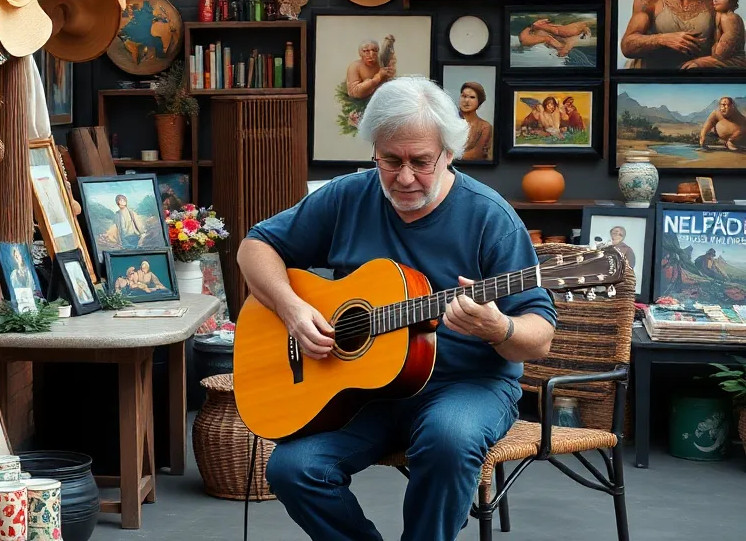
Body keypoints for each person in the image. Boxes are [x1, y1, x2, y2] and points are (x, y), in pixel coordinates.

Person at [238, 76, 557, 541]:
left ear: (448, 153)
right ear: (374, 152)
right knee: (293, 467)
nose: (405, 178)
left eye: (421, 162)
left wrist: (498, 327)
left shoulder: (490, 217)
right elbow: (256, 246)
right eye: (390, 160)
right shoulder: (349, 195)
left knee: (449, 440)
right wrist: (290, 308)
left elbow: (540, 337)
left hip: (466, 386)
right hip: (367, 392)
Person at [620, 0, 717, 69]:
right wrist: (663, 39)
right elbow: (627, 46)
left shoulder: (714, 5)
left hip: (694, 81)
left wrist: (706, 62)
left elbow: (731, 55)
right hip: (649, 79)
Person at [681, 0, 746, 69]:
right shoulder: (720, 15)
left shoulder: (729, 17)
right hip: (724, 58)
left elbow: (722, 52)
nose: (714, 0)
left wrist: (703, 59)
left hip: (734, 60)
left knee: (693, 66)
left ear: (731, 1)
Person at [456, 81, 491, 161]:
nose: (467, 100)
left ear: (479, 101)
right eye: (464, 96)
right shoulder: (450, 122)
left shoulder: (485, 126)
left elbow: (476, 153)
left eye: (472, 97)